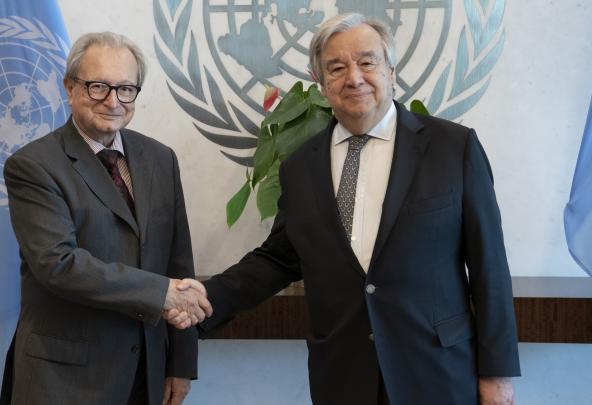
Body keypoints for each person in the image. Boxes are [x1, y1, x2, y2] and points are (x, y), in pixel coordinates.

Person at [168, 13, 520, 405]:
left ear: (391, 70)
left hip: (437, 373)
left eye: (367, 62)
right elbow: (280, 259)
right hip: (343, 376)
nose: (354, 78)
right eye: (337, 67)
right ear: (320, 82)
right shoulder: (300, 167)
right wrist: (205, 299)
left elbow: (490, 267)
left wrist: (497, 376)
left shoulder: (454, 148)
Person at [2, 32, 211, 405]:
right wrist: (160, 293)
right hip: (64, 381)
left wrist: (180, 362)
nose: (113, 101)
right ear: (70, 88)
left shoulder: (160, 159)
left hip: (146, 374)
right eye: (98, 86)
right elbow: (58, 264)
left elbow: (179, 263)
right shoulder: (33, 166)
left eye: (126, 88)